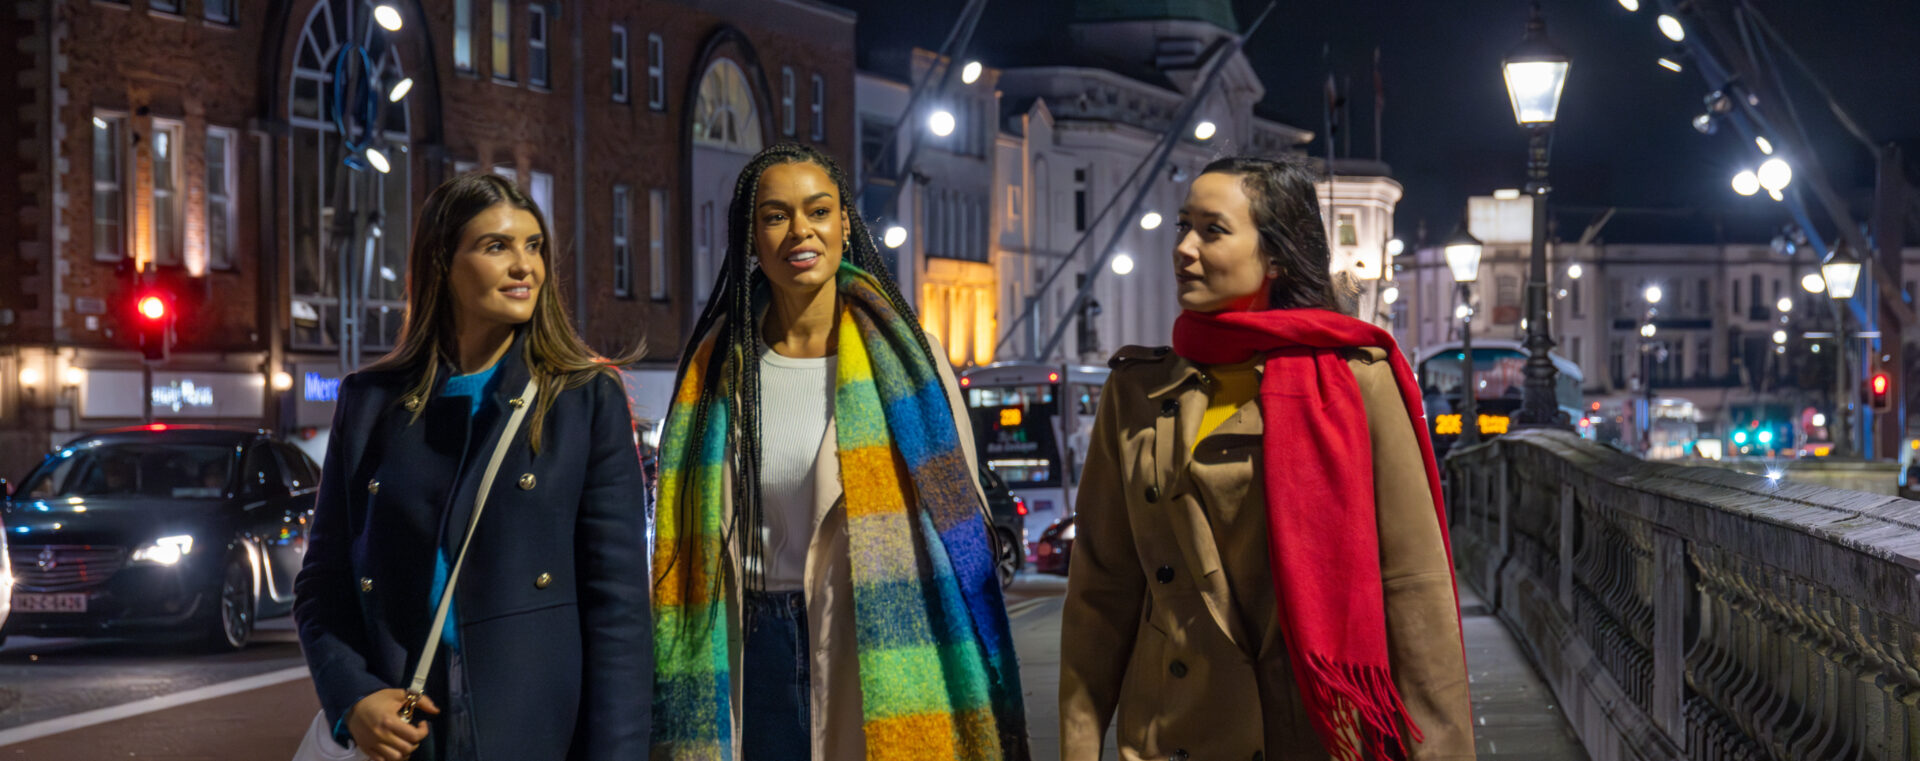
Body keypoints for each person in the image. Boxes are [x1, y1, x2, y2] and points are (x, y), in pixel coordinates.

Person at [1059, 156, 1475, 761]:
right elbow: (1102, 588)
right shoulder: (1136, 391)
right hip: (1172, 732)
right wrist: (1076, 742)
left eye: (1212, 230)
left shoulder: (1358, 382)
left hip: (1318, 729)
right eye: (1182, 227)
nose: (1184, 249)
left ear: (1276, 255)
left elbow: (1413, 587)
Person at [649, 143, 1029, 760]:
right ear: (751, 235)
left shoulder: (910, 358)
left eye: (817, 210)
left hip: (874, 635)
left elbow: (962, 525)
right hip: (750, 648)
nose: (800, 229)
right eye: (774, 216)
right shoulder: (714, 368)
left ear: (844, 222)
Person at [295, 173, 651, 761]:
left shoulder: (584, 397)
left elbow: (618, 610)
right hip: (406, 729)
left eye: (534, 246)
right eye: (496, 247)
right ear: (442, 262)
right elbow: (323, 580)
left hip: (533, 723)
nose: (524, 267)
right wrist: (352, 697)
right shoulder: (370, 401)